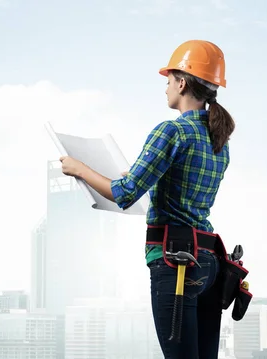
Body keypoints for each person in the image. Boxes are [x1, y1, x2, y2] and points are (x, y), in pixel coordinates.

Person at [59, 39, 235, 359]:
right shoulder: (219, 141)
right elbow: (183, 189)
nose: (165, 87)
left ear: (182, 82)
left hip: (177, 262)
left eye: (168, 80)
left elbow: (124, 193)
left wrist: (79, 169)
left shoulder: (172, 132)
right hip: (209, 264)